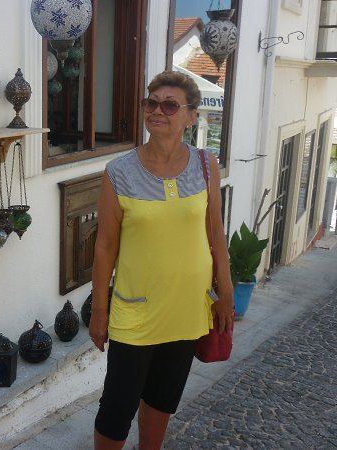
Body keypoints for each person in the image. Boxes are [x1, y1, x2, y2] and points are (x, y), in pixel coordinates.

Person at [89, 70, 234, 450]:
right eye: (151, 103)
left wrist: (226, 293)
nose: (157, 110)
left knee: (162, 398)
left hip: (187, 308)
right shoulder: (119, 172)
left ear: (190, 116)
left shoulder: (206, 165)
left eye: (170, 105)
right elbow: (105, 247)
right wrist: (100, 311)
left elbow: (216, 234)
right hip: (136, 310)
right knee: (117, 407)